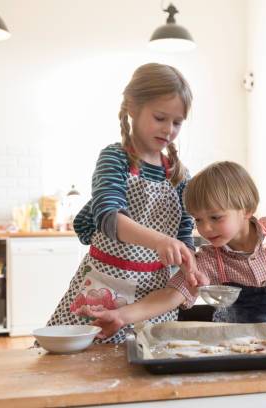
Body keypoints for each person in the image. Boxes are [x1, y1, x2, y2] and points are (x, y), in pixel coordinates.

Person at [44, 63, 197, 343]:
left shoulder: (180, 175)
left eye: (177, 122)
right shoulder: (115, 158)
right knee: (87, 367)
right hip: (103, 289)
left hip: (153, 300)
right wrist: (160, 241)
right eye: (160, 117)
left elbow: (185, 234)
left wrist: (190, 265)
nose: (169, 129)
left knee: (144, 369)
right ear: (133, 109)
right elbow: (109, 217)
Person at [81, 161, 266, 339]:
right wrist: (121, 316)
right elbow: (170, 295)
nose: (205, 228)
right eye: (198, 219)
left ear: (246, 209)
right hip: (233, 346)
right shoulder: (207, 261)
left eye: (215, 217)